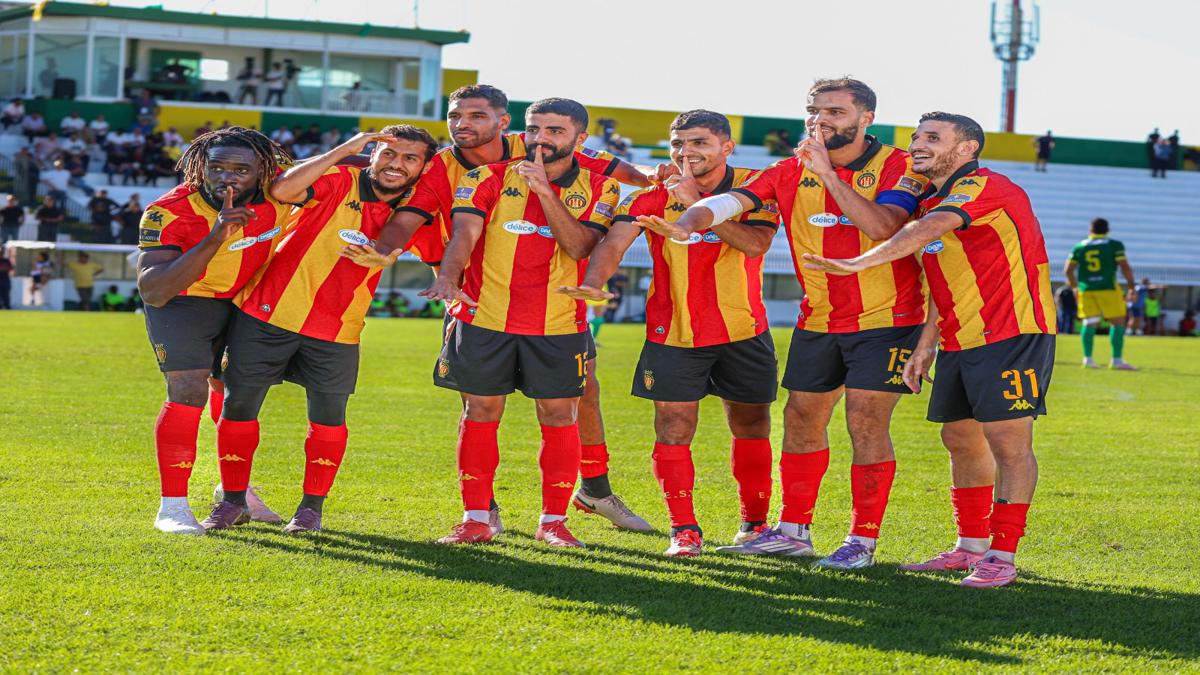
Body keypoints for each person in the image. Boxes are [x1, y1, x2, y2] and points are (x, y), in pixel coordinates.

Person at [640, 79, 930, 569]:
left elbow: (883, 227)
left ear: (866, 119)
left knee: (864, 421)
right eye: (814, 110)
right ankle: (793, 530)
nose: (821, 120)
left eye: (836, 111)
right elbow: (734, 202)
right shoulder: (789, 169)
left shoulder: (900, 166)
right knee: (799, 419)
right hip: (818, 319)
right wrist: (690, 220)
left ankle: (862, 539)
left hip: (889, 319)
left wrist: (830, 176)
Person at [343, 84, 653, 531]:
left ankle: (591, 494)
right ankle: (481, 512)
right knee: (479, 406)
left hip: (556, 309)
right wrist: (406, 259)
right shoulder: (452, 168)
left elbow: (627, 176)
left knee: (581, 396)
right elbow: (425, 222)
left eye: (475, 116)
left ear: (501, 122)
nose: (463, 124)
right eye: (456, 116)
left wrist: (662, 176)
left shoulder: (553, 155)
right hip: (472, 291)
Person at [804, 112, 1056, 588]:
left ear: (967, 150)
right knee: (960, 440)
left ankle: (1003, 555)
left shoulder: (986, 186)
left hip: (1013, 334)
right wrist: (925, 345)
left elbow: (921, 233)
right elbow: (944, 283)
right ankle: (970, 547)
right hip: (961, 339)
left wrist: (859, 262)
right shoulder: (931, 199)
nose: (919, 144)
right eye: (917, 137)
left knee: (1008, 443)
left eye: (933, 138)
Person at [559, 110, 781, 556]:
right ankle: (685, 530)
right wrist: (595, 284)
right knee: (674, 427)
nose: (685, 152)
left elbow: (756, 245)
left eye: (698, 142)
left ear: (726, 147)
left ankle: (754, 526)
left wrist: (697, 208)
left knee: (751, 424)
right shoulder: (654, 194)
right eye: (678, 144)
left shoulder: (755, 187)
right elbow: (615, 242)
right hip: (673, 332)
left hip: (743, 328)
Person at [202, 126, 437, 535]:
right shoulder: (339, 177)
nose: (395, 165)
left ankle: (311, 510)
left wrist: (404, 261)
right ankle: (233, 502)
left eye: (409, 159)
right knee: (239, 408)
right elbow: (281, 191)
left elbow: (441, 249)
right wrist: (346, 149)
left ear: (424, 166)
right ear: (372, 154)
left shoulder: (419, 207)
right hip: (266, 314)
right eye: (387, 154)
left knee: (328, 419)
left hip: (338, 328)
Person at [417, 98, 622, 548]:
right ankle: (476, 518)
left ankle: (553, 521)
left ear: (579, 139)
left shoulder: (601, 188)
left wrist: (546, 190)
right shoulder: (485, 177)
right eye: (534, 129)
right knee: (480, 412)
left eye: (554, 130)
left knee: (559, 415)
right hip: (485, 316)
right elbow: (465, 233)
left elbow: (580, 247)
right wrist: (448, 278)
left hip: (558, 323)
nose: (541, 139)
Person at [135, 127, 293, 535]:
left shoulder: (281, 199)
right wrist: (215, 236)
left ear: (263, 170)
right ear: (200, 168)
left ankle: (235, 493)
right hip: (184, 301)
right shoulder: (166, 211)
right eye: (217, 167)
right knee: (188, 391)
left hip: (244, 302)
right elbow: (154, 290)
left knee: (238, 396)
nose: (228, 177)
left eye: (241, 169)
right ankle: (172, 506)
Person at [1065, 217, 1137, 370]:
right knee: (1117, 322)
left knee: (1089, 322)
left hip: (1086, 289)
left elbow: (1068, 270)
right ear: (1107, 230)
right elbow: (1125, 267)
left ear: (1090, 230)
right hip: (1108, 288)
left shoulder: (1080, 246)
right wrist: (1131, 287)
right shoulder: (1114, 245)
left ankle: (1088, 359)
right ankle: (1116, 360)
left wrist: (1075, 288)